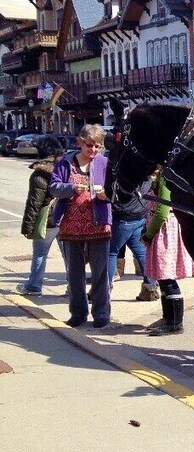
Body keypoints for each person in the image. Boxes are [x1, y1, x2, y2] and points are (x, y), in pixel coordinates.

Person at [50, 124, 112, 328]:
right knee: (74, 274)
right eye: (89, 145)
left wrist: (106, 195)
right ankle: (78, 312)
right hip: (70, 226)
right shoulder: (66, 162)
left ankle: (101, 313)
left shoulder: (104, 163)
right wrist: (71, 188)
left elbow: (115, 189)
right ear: (80, 143)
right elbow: (53, 187)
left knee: (100, 273)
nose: (93, 150)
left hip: (98, 224)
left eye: (97, 146)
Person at [142, 173, 194, 336]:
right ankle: (167, 318)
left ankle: (175, 322)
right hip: (162, 228)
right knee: (162, 277)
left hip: (165, 230)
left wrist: (149, 234)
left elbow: (163, 210)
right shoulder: (160, 178)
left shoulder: (166, 179)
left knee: (167, 276)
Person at [15, 138, 67, 296]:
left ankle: (34, 286)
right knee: (69, 256)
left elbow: (34, 204)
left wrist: (27, 227)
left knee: (40, 253)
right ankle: (73, 288)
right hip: (65, 218)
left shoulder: (39, 175)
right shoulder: (65, 170)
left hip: (48, 221)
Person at [109, 174, 159, 301]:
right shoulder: (146, 177)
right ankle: (151, 288)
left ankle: (102, 290)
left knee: (110, 253)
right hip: (139, 215)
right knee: (140, 251)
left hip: (124, 217)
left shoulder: (127, 175)